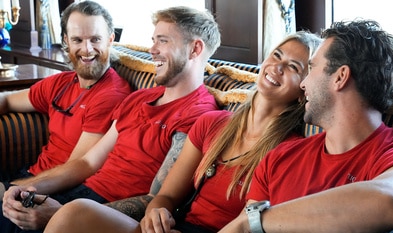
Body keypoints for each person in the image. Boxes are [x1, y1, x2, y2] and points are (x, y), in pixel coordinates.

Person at [43, 31, 322, 233]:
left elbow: (253, 226)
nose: (277, 67)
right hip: (174, 226)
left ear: (304, 89)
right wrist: (156, 216)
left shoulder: (290, 150)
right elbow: (165, 197)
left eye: (293, 67)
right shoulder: (212, 123)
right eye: (277, 55)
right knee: (74, 213)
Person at [1, 4, 220, 232]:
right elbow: (87, 162)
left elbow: (156, 200)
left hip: (104, 215)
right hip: (79, 196)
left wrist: (61, 215)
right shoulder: (138, 98)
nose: (152, 49)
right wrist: (26, 188)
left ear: (195, 49)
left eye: (163, 41)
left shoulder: (199, 114)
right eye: (153, 39)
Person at [218, 19, 393, 233]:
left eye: (311, 68)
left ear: (340, 77)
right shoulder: (280, 157)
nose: (304, 84)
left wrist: (252, 222)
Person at [0, 1, 131, 196]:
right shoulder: (61, 82)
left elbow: (78, 169)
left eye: (95, 39)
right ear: (66, 41)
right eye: (77, 40)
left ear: (110, 39)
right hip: (30, 175)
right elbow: (7, 100)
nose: (87, 49)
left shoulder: (111, 95)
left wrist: (13, 190)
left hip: (55, 192)